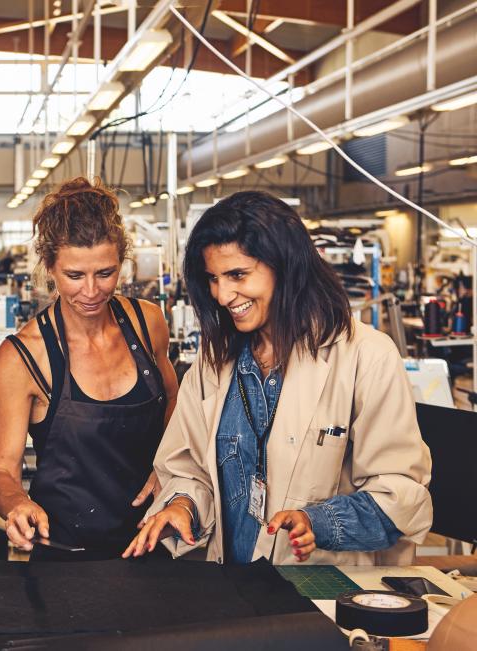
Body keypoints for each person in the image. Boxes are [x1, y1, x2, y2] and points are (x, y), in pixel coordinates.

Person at [124, 191, 432, 565]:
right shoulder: (215, 362)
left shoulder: (366, 357)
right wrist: (183, 505)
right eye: (213, 279)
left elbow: (400, 494)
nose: (222, 295)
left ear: (285, 266)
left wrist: (319, 522)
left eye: (237, 274)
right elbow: (187, 468)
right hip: (233, 588)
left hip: (321, 591)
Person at [0, 177, 179, 561]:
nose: (91, 291)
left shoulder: (149, 324)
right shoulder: (23, 357)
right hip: (64, 554)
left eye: (105, 273)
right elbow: (2, 474)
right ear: (50, 268)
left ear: (122, 262)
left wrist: (172, 464)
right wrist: (16, 505)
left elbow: (174, 401)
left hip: (150, 542)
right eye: (75, 276)